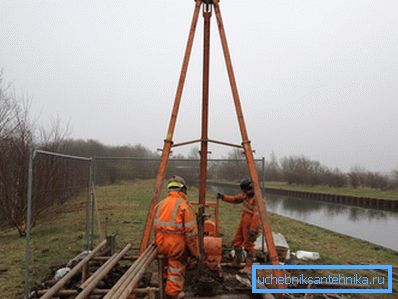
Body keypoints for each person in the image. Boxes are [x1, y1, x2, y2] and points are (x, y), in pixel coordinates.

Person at [153, 175, 199, 299]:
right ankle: (173, 293)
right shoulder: (184, 206)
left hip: (162, 244)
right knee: (176, 266)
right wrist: (195, 253)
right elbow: (191, 234)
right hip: (175, 246)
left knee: (166, 264)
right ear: (183, 189)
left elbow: (156, 228)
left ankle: (165, 282)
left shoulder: (160, 205)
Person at [216, 177, 259, 274]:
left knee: (249, 245)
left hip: (251, 224)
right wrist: (223, 197)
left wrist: (253, 229)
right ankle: (237, 261)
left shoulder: (257, 199)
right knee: (237, 241)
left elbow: (257, 216)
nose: (245, 192)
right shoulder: (245, 195)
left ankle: (249, 267)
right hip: (244, 221)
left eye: (246, 190)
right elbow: (235, 199)